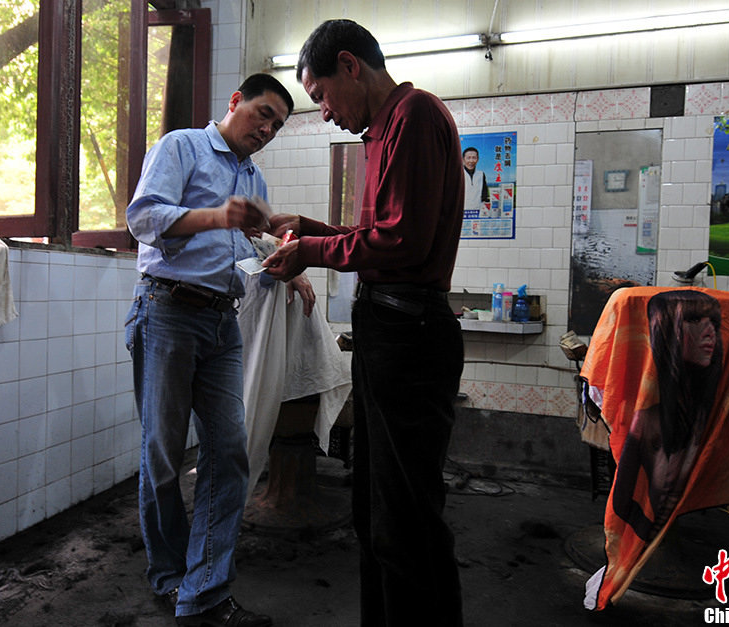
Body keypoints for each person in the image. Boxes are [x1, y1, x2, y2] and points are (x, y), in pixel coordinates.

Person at [262, 19, 466, 626]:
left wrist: (307, 253)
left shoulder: (416, 116)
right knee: (375, 513)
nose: (323, 113)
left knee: (404, 517)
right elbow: (375, 237)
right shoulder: (383, 133)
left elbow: (401, 243)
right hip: (389, 334)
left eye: (321, 95)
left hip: (411, 335)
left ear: (350, 66)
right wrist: (309, 227)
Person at [124, 72, 297, 627]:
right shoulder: (183, 146)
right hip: (167, 311)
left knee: (230, 453)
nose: (267, 128)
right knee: (164, 456)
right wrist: (219, 215)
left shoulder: (256, 180)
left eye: (277, 124)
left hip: (223, 321)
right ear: (235, 102)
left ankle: (204, 592)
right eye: (262, 113)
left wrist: (284, 265)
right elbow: (143, 218)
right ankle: (170, 576)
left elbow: (242, 252)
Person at [610, 290, 723, 541]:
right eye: (694, 320)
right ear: (666, 329)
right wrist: (642, 542)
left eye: (713, 322)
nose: (709, 331)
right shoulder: (648, 419)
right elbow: (622, 498)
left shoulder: (713, 412)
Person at [462, 146, 489, 215]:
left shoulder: (481, 174)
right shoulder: (458, 174)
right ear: (463, 159)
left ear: (478, 159)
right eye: (468, 158)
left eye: (474, 158)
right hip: (462, 213)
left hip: (478, 212)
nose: (471, 161)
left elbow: (484, 194)